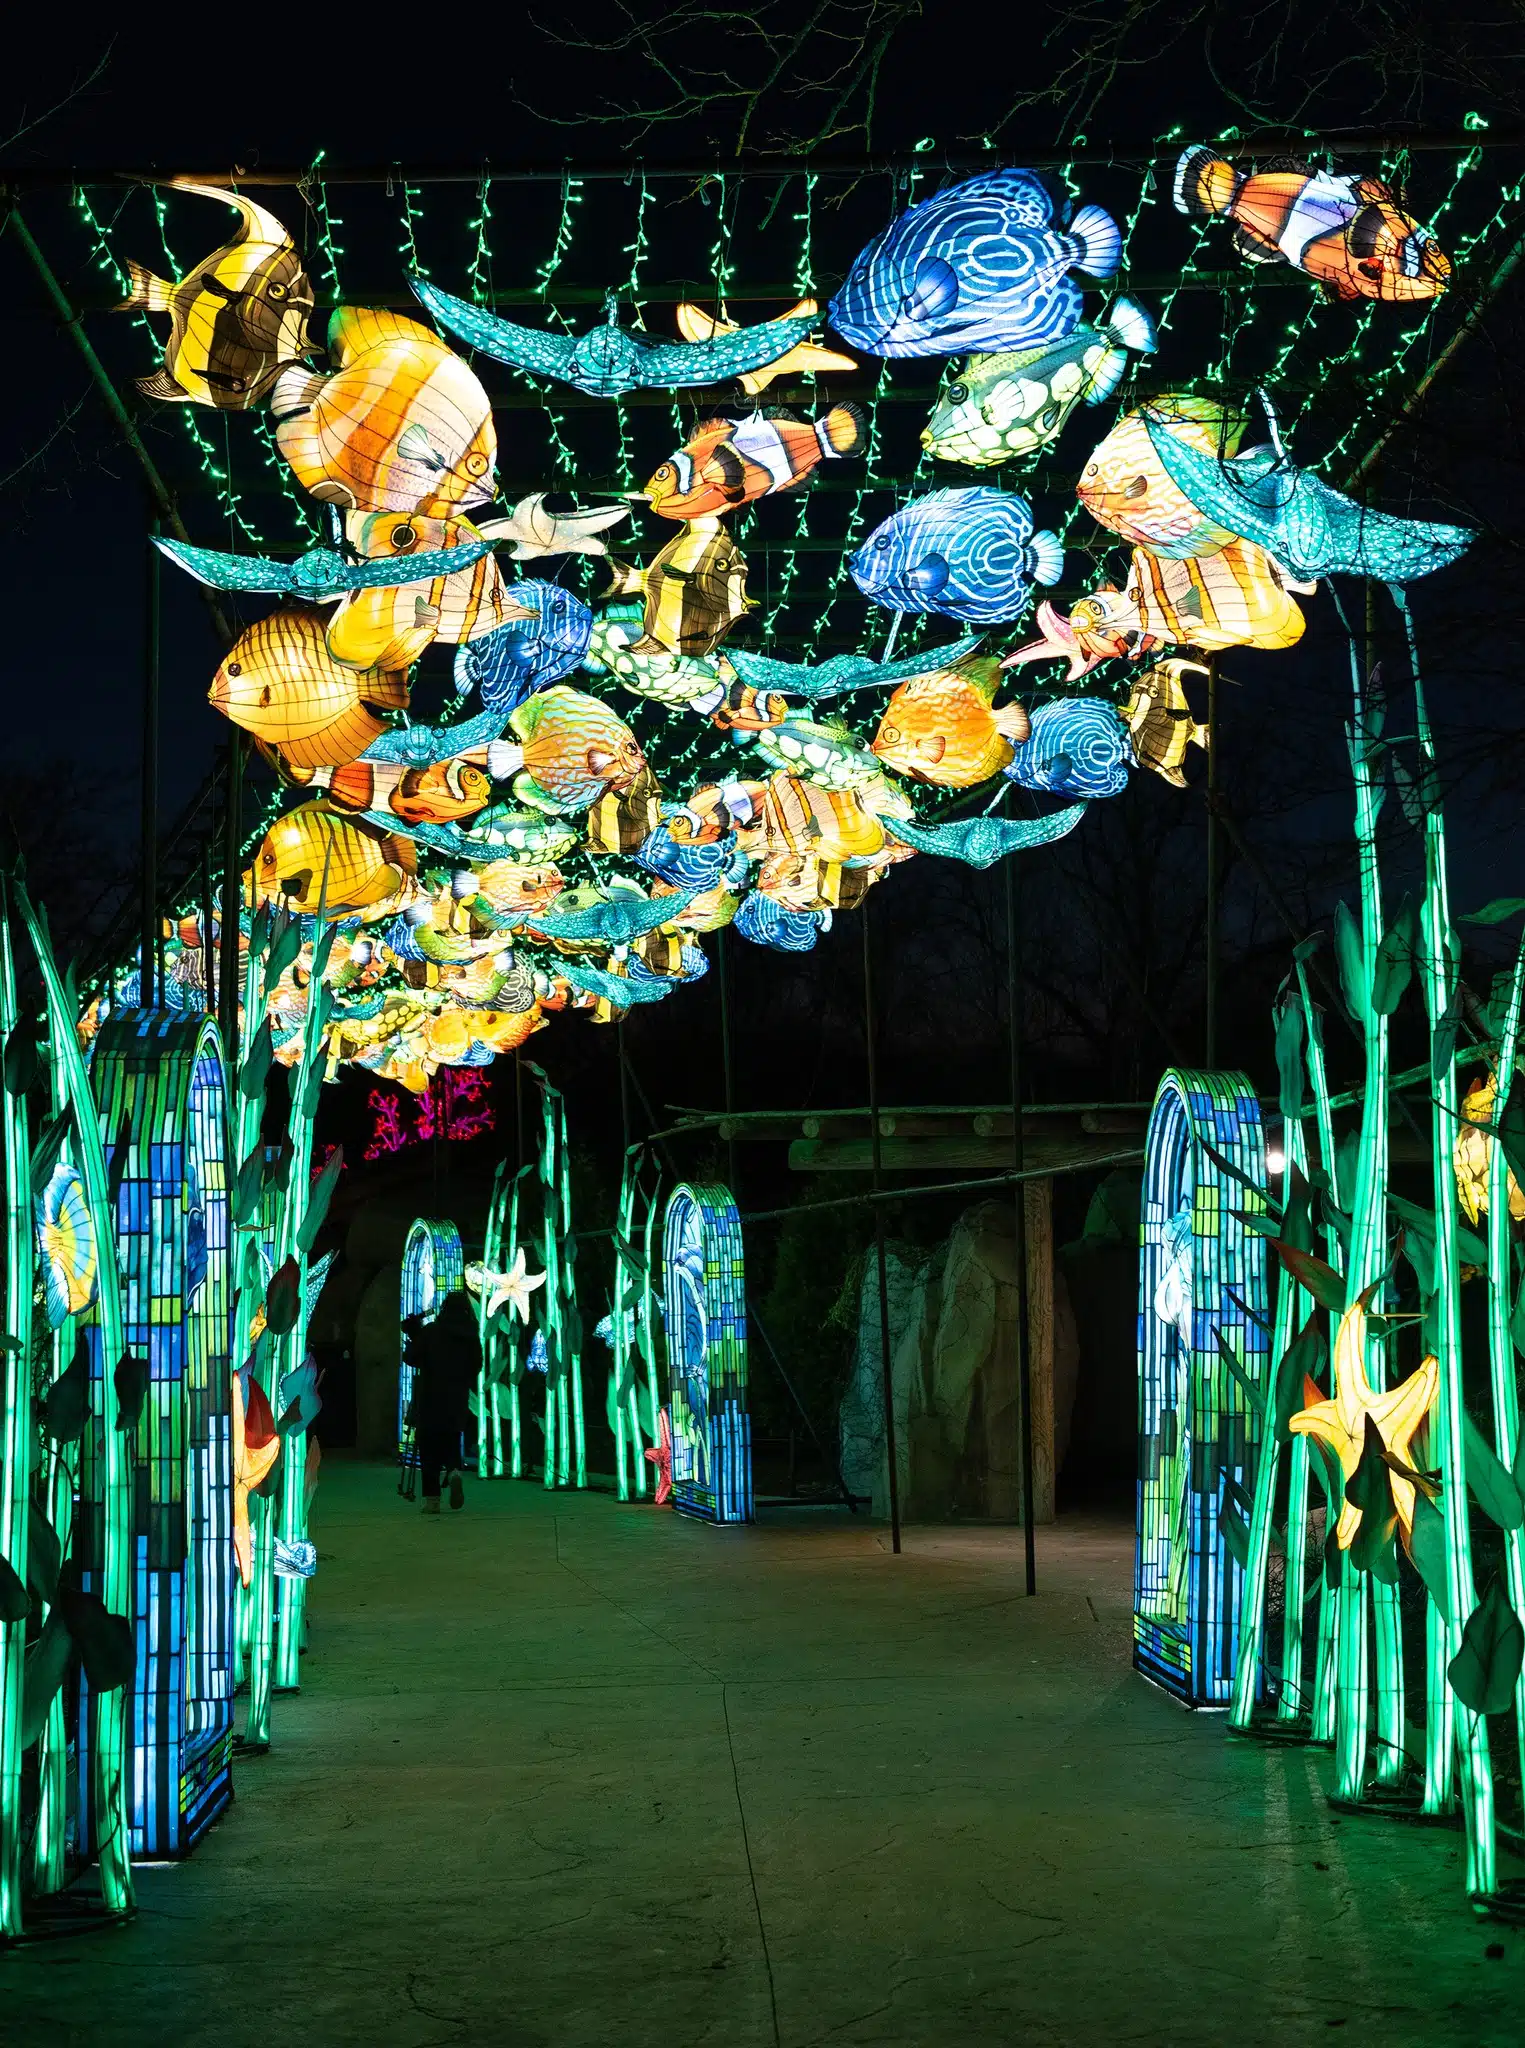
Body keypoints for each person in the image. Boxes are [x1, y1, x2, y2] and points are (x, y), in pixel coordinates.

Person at [401, 1287, 481, 1514]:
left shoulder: (432, 1331)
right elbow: (477, 1365)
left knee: (428, 1447)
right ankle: (454, 1471)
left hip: (429, 1398)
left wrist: (414, 1334)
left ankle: (432, 1500)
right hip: (456, 1399)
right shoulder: (470, 1336)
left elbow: (411, 1358)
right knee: (451, 1440)